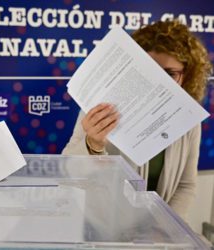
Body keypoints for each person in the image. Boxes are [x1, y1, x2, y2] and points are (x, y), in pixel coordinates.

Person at [62, 20, 212, 221]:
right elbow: (69, 169)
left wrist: (167, 228)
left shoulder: (188, 119)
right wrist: (93, 145)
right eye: (151, 69)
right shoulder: (103, 105)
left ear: (187, 74)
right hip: (103, 229)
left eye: (169, 74)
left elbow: (185, 186)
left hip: (158, 234)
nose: (159, 81)